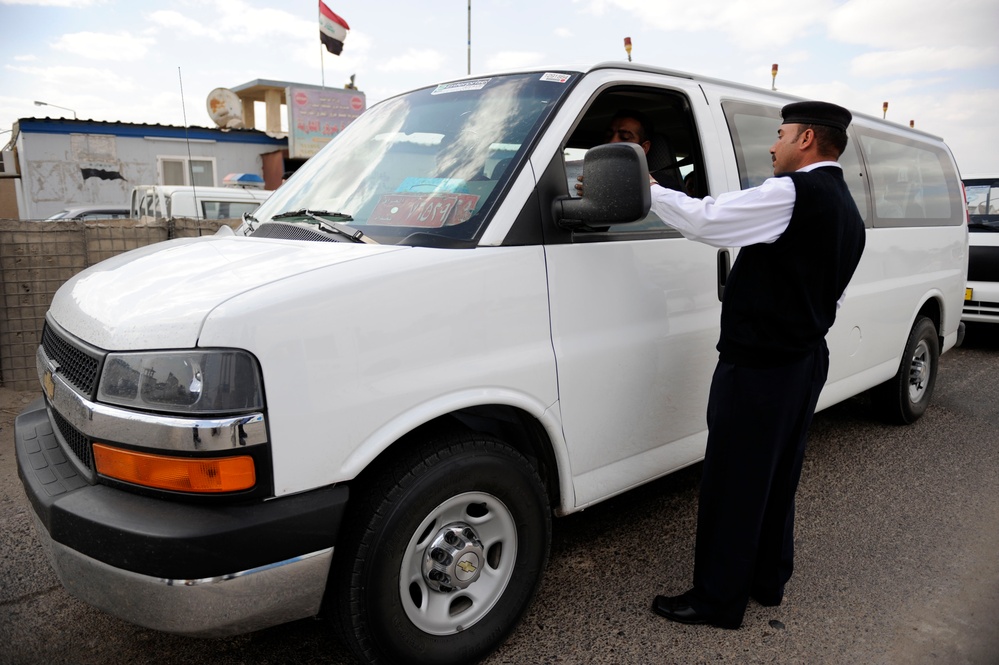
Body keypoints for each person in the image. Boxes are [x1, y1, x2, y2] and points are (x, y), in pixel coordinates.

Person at [647, 101, 867, 629]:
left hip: (760, 369)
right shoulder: (845, 207)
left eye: (781, 133)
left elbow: (707, 221)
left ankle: (717, 600)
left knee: (734, 483)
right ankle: (768, 580)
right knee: (775, 478)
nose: (773, 145)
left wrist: (647, 186)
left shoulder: (791, 192)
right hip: (803, 362)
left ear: (807, 138)